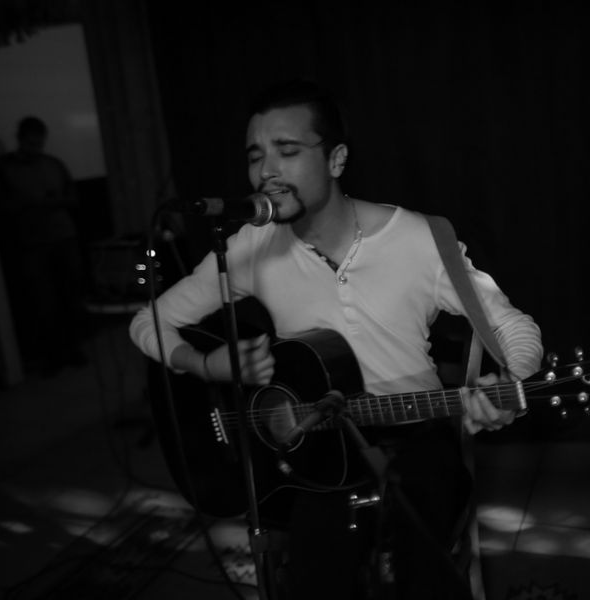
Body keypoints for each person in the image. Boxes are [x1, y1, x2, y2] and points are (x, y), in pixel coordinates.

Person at [129, 80, 542, 599]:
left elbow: (512, 324)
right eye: (255, 155)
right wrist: (207, 365)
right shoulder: (251, 246)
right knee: (315, 581)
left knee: (424, 574)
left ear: (336, 159)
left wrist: (513, 380)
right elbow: (148, 322)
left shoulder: (419, 238)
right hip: (313, 449)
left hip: (414, 438)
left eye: (287, 150)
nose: (266, 171)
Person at [0, 115, 87, 376]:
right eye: (31, 143)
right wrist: (31, 204)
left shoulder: (53, 164)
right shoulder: (2, 169)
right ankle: (52, 355)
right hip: (31, 243)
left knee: (70, 294)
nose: (36, 149)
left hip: (63, 238)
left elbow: (73, 198)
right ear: (20, 139)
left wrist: (51, 202)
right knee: (42, 301)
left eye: (39, 143)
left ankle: (73, 348)